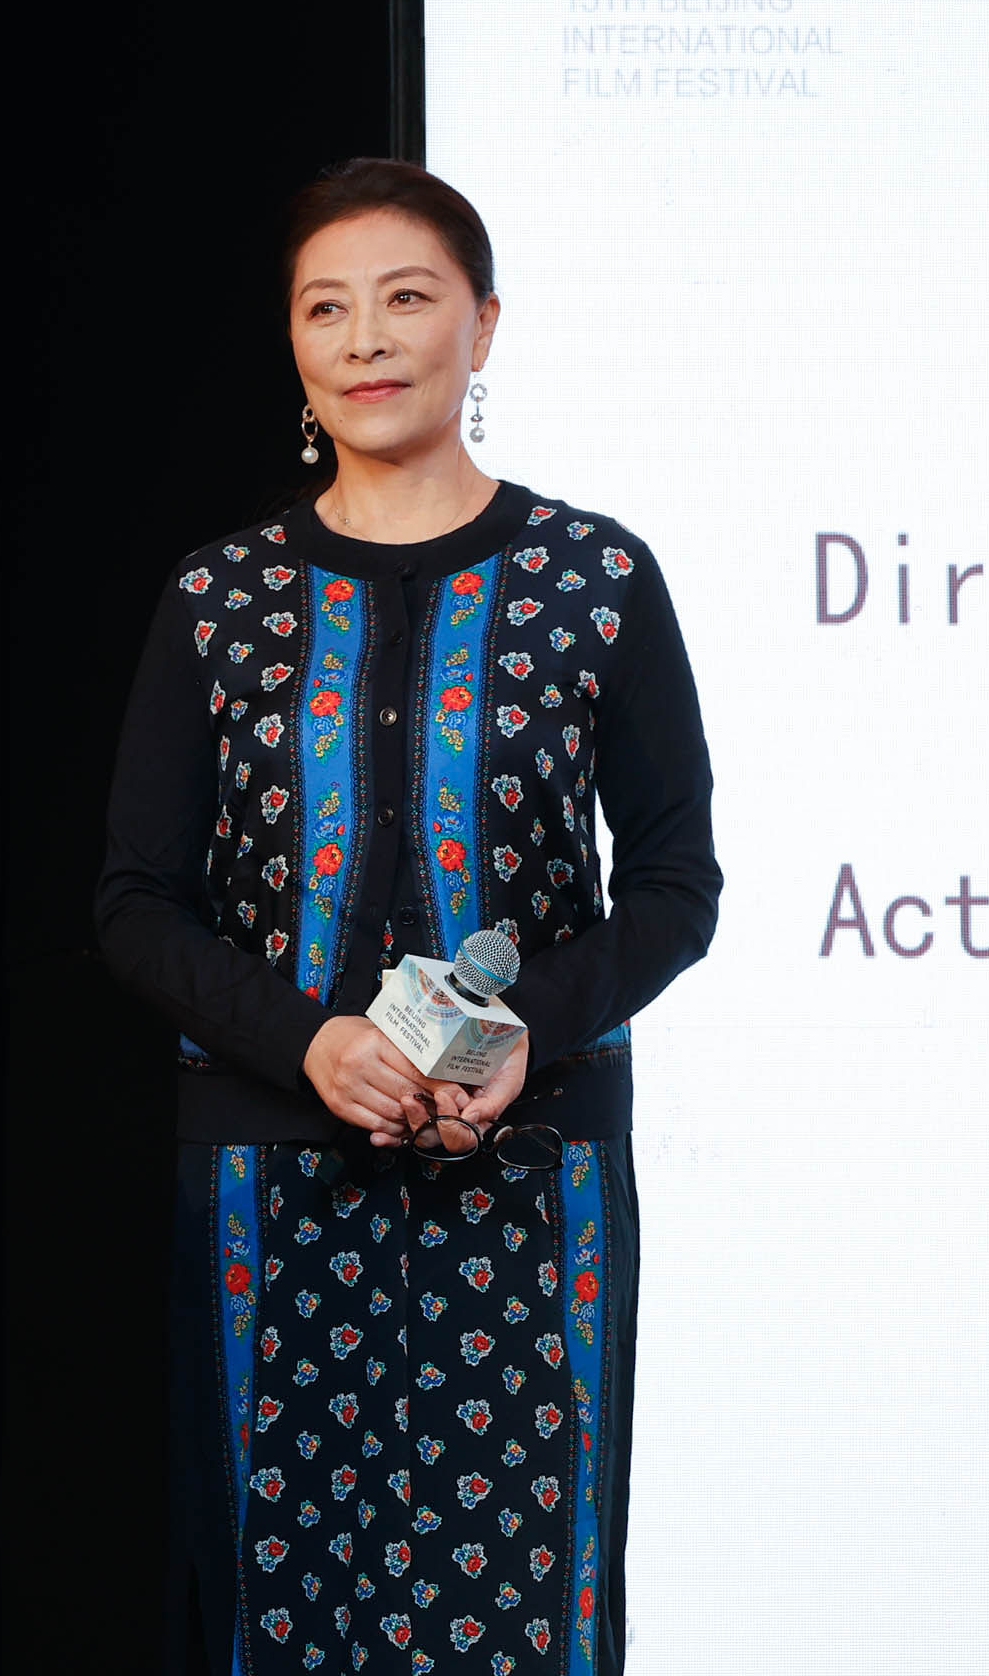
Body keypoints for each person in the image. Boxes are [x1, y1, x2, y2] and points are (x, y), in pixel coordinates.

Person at [98, 159, 719, 1676]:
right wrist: (307, 1044)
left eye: (407, 298)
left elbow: (676, 885)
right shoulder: (219, 596)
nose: (366, 338)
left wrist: (525, 1035)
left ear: (482, 326)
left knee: (521, 1619)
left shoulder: (595, 578)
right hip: (265, 1180)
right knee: (274, 1613)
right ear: (294, 345)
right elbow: (133, 903)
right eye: (327, 308)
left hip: (531, 1182)